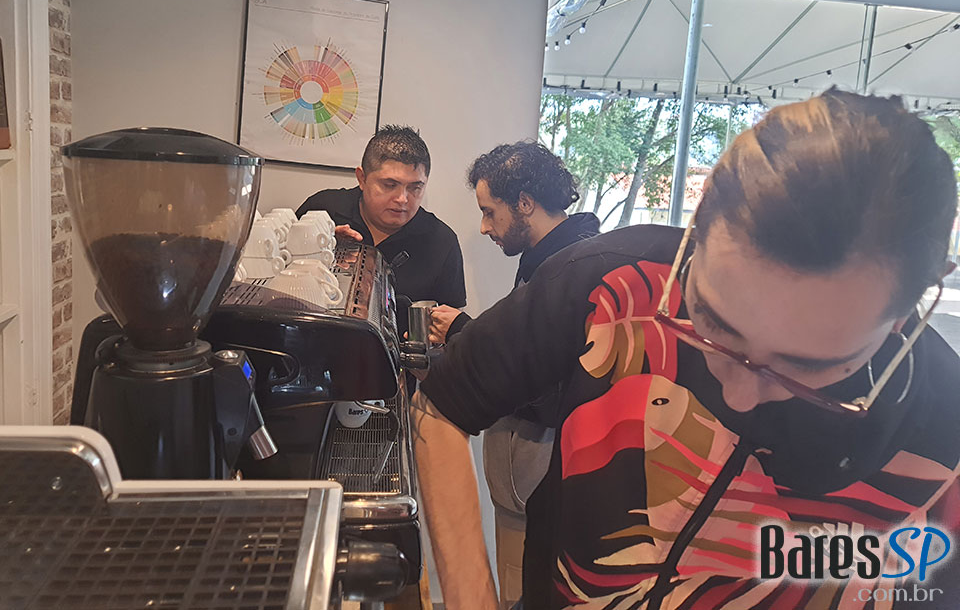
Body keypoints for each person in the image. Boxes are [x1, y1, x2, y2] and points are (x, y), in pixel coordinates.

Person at [413, 89, 960, 610]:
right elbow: (442, 402)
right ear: (698, 228)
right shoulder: (612, 280)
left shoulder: (945, 448)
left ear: (907, 312)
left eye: (803, 366)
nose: (737, 397)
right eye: (712, 323)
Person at [427, 141, 599, 609]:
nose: (484, 227)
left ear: (524, 203)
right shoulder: (545, 257)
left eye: (490, 212)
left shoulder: (569, 269)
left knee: (522, 593)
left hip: (537, 485)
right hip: (522, 485)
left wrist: (465, 333)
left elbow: (550, 383)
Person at [296, 124, 466, 313]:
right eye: (390, 185)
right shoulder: (322, 212)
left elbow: (450, 320)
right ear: (362, 178)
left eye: (415, 188)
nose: (402, 199)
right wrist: (317, 246)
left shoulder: (442, 241)